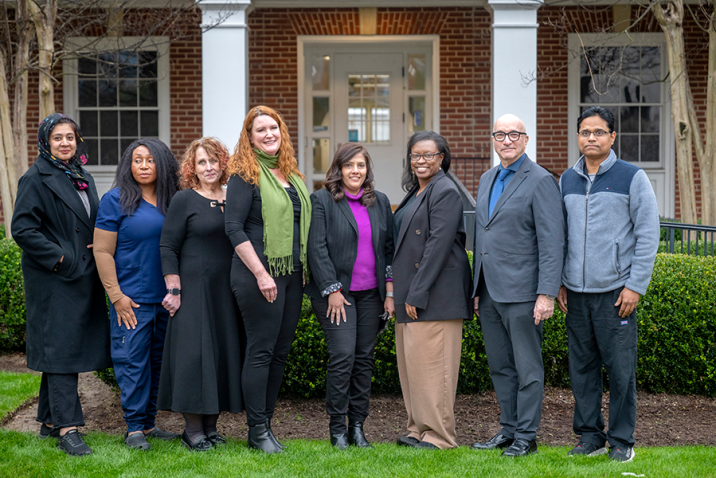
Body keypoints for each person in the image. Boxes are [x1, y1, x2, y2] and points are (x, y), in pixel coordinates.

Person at [557, 106, 659, 463]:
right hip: (577, 294)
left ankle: (620, 441)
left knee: (620, 371)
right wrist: (560, 282)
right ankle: (589, 437)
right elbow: (562, 237)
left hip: (617, 293)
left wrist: (635, 286)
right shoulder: (566, 180)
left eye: (599, 132)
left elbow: (648, 233)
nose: (591, 138)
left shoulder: (632, 177)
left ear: (613, 137)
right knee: (582, 369)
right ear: (578, 136)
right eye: (585, 132)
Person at [11, 113, 112, 456]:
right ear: (45, 142)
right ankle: (69, 429)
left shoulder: (81, 175)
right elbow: (23, 229)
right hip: (54, 280)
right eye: (58, 138)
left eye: (70, 137)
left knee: (61, 349)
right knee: (62, 351)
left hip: (82, 277)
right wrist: (62, 258)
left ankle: (49, 422)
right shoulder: (35, 178)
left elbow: (86, 220)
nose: (66, 143)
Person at [471, 114, 565, 457]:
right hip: (490, 293)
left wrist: (546, 293)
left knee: (527, 368)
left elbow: (552, 242)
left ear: (526, 140)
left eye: (514, 134)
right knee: (500, 366)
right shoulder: (486, 178)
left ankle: (527, 435)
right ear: (493, 140)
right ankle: (508, 429)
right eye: (500, 134)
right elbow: (484, 234)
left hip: (525, 293)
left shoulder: (540, 180)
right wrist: (477, 289)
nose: (506, 140)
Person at [225, 106, 311, 454]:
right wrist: (261, 273)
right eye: (260, 130)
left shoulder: (290, 174)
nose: (268, 134)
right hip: (259, 275)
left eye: (273, 127)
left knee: (279, 353)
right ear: (249, 137)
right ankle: (256, 430)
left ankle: (267, 425)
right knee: (261, 352)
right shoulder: (244, 175)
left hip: (291, 274)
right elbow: (233, 227)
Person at [305, 143, 395, 449]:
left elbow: (388, 250)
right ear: (338, 169)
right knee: (343, 356)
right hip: (336, 295)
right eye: (348, 166)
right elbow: (316, 248)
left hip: (372, 294)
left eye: (360, 165)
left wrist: (390, 291)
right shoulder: (323, 200)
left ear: (367, 169)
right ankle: (337, 430)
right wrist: (331, 288)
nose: (355, 171)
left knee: (363, 360)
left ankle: (357, 426)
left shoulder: (380, 202)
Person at [157, 138, 245, 451]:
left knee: (220, 353)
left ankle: (211, 427)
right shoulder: (184, 200)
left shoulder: (234, 197)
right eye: (201, 162)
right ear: (193, 168)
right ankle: (192, 429)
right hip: (193, 289)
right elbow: (168, 245)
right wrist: (174, 288)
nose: (208, 168)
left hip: (227, 290)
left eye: (213, 161)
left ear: (224, 163)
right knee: (195, 356)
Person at [93, 138, 180, 450]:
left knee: (158, 362)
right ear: (128, 166)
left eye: (150, 160)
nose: (144, 166)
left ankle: (149, 423)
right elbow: (102, 251)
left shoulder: (174, 200)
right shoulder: (115, 200)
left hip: (169, 299)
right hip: (132, 299)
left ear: (163, 164)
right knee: (132, 361)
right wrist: (116, 296)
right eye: (137, 160)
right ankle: (133, 429)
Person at [391, 131, 472, 450]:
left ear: (442, 159)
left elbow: (437, 245)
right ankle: (417, 428)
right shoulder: (417, 191)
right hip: (412, 292)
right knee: (414, 367)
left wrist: (417, 292)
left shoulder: (446, 191)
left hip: (435, 295)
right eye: (415, 155)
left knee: (434, 367)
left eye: (428, 155)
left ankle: (439, 436)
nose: (421, 161)